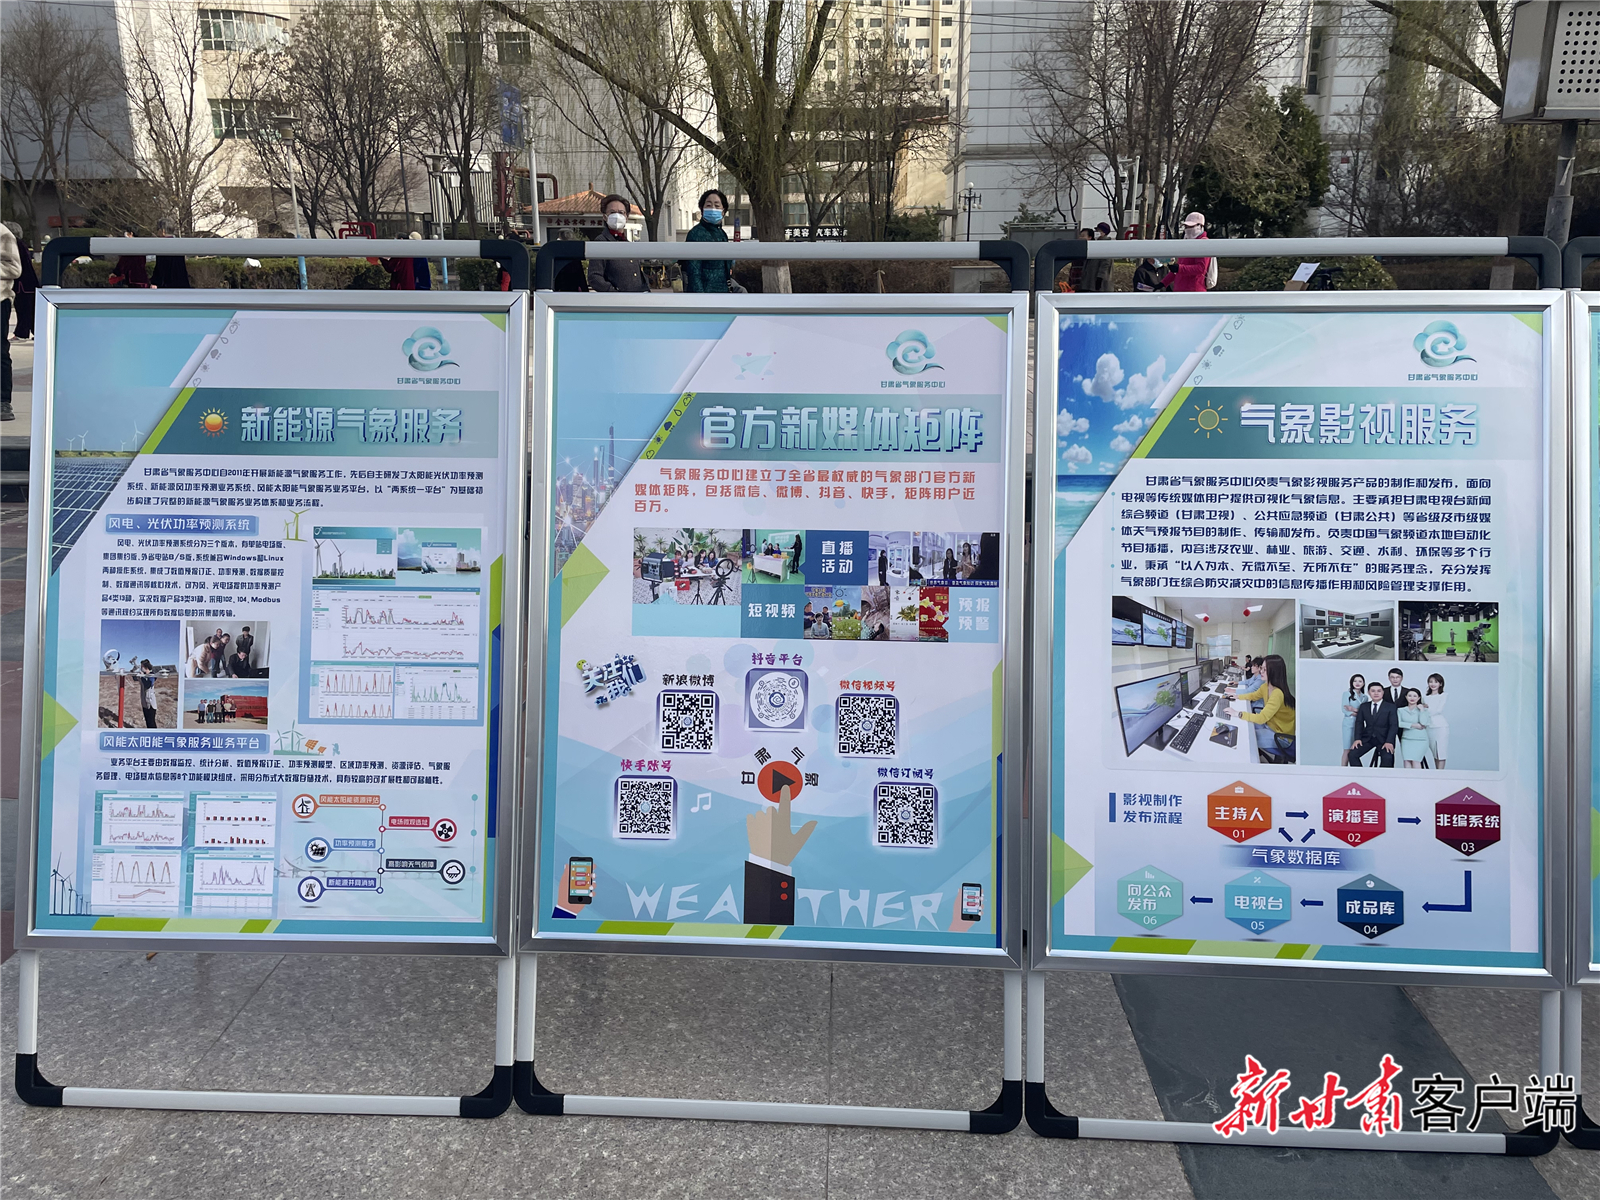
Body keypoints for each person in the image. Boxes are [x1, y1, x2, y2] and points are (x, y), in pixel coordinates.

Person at [1226, 653, 1295, 762]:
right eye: (1261, 668)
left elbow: (1262, 718)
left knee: (1244, 738)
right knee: (1243, 727)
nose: (1261, 671)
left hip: (1281, 736)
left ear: (1274, 671)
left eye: (1265, 669)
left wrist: (1237, 713)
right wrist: (1237, 696)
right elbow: (1253, 695)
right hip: (1269, 725)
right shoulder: (1265, 686)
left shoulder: (1277, 693)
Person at [587, 194, 648, 292]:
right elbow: (594, 277)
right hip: (616, 300)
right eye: (612, 212)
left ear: (626, 217)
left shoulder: (628, 243)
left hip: (637, 298)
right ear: (605, 216)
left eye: (621, 212)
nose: (617, 216)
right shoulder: (601, 242)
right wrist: (613, 293)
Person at [681, 189, 737, 294]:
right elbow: (694, 272)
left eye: (717, 205)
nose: (713, 208)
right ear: (702, 209)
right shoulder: (696, 233)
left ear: (723, 211)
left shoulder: (722, 233)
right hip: (705, 294)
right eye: (708, 205)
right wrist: (701, 298)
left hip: (722, 292)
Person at [1349, 681, 1398, 768]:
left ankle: (1381, 776)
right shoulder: (1364, 706)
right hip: (1368, 738)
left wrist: (1389, 741)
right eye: (1373, 691)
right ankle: (1361, 775)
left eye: (1379, 691)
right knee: (1352, 755)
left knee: (1387, 758)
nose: (1376, 693)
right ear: (1368, 692)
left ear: (1383, 692)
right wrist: (1357, 739)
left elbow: (1393, 725)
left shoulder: (1390, 707)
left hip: (1384, 739)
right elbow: (1359, 723)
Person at [1170, 212, 1213, 293]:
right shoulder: (1186, 242)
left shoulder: (1203, 243)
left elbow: (1201, 268)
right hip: (1180, 290)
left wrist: (1179, 268)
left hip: (1194, 290)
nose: (1187, 229)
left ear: (1200, 226)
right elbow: (1177, 269)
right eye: (1186, 226)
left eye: (1191, 226)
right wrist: (1163, 283)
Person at [0, 220, 17, 422]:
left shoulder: (3, 233)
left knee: (0, 352)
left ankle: (3, 400)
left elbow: (14, 268)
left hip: (0, 299)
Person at [10, 225, 38, 340]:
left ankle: (22, 333)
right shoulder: (20, 244)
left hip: (23, 283)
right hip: (26, 282)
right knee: (28, 309)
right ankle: (35, 332)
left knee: (24, 309)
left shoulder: (16, 245)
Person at [150, 219, 190, 289]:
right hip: (182, 284)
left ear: (163, 231)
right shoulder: (179, 244)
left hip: (168, 285)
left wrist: (155, 282)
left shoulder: (163, 246)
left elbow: (160, 268)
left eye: (158, 230)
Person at [1397, 687, 1431, 768]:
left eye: (1415, 696)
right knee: (1407, 761)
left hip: (1420, 739)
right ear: (1406, 697)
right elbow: (1399, 723)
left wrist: (1422, 710)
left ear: (1419, 698)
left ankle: (1418, 777)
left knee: (1416, 761)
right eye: (1410, 696)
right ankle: (1407, 777)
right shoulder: (1401, 710)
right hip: (1406, 739)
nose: (1412, 698)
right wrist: (1413, 725)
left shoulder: (1424, 710)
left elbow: (1424, 723)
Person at [1423, 673, 1449, 768]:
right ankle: (1436, 772)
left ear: (1440, 684)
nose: (1433, 684)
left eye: (1436, 682)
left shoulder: (1443, 695)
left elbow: (1438, 710)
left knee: (1441, 751)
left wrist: (1425, 708)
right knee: (1435, 752)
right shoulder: (1425, 697)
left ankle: (1440, 772)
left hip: (1440, 727)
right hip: (1429, 727)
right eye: (1431, 682)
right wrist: (1424, 708)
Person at [1340, 673, 1366, 767]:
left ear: (1363, 683)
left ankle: (1352, 769)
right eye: (1355, 681)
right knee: (1347, 748)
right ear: (1351, 682)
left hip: (1359, 724)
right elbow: (1344, 710)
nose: (1357, 683)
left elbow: (1365, 712)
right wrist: (1358, 713)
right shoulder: (1347, 694)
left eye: (1360, 681)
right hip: (1349, 723)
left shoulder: (1365, 697)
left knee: (1354, 748)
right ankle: (1343, 769)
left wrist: (1353, 709)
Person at [1085, 221, 1115, 292]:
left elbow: (1106, 263)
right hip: (1094, 276)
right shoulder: (1097, 243)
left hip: (1100, 280)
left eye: (1098, 230)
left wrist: (1100, 277)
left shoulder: (1105, 244)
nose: (1096, 232)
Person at [136, 660, 158, 729]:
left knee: (151, 722)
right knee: (147, 722)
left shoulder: (152, 675)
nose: (141, 668)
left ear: (146, 667)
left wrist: (142, 676)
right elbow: (135, 678)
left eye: (142, 666)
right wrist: (134, 670)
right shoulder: (143, 674)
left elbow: (147, 685)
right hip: (144, 702)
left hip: (151, 703)